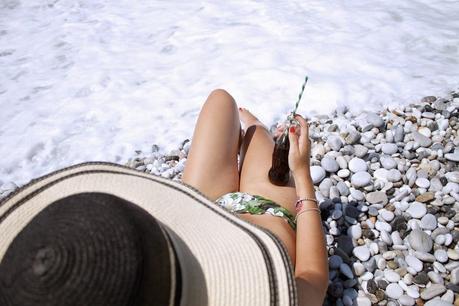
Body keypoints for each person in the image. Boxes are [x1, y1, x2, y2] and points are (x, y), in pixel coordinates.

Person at [182, 89, 329, 305]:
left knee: (220, 101)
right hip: (267, 208)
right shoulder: (282, 299)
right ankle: (254, 130)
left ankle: (247, 137)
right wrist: (301, 173)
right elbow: (313, 275)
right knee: (257, 134)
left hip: (207, 210)